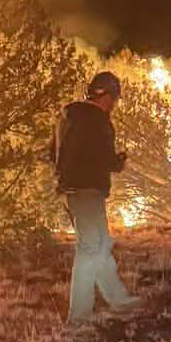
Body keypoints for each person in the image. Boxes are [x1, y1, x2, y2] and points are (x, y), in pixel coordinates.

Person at [53, 70, 142, 324]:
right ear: (106, 96)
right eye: (114, 99)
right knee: (90, 248)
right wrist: (117, 162)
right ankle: (78, 317)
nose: (114, 105)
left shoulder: (69, 118)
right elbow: (102, 159)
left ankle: (118, 299)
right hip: (88, 190)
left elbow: (56, 154)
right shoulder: (97, 121)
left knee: (100, 244)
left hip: (72, 190)